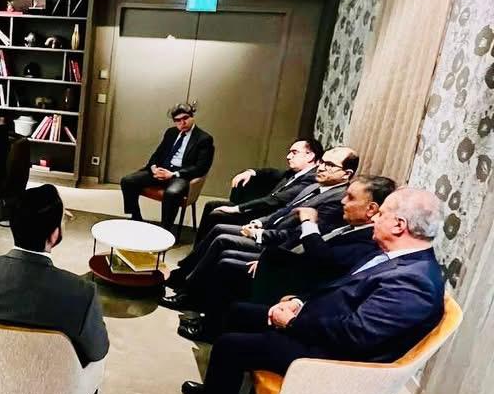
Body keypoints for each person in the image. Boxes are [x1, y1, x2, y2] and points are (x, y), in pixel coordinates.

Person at [168, 187, 446, 394]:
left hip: (335, 359)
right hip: (322, 326)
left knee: (230, 346)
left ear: (399, 225)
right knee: (237, 312)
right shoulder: (396, 259)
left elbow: (356, 335)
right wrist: (298, 302)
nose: (374, 218)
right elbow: (338, 288)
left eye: (381, 214)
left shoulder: (414, 282)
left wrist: (291, 322)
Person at [177, 175, 394, 342]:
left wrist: (308, 223)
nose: (343, 201)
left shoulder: (369, 238)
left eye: (351, 198)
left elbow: (322, 260)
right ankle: (204, 313)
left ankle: (210, 329)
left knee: (229, 265)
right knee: (228, 261)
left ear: (371, 209)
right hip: (289, 265)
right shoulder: (350, 224)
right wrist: (267, 259)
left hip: (301, 287)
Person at [162, 146, 358, 309]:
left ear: (346, 174)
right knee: (219, 229)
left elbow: (298, 237)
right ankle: (184, 277)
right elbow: (285, 210)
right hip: (271, 231)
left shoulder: (337, 200)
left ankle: (189, 295)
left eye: (329, 165)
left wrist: (261, 235)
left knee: (223, 239)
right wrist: (261, 222)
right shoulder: (315, 186)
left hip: (279, 246)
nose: (321, 167)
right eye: (322, 162)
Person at [0, 184, 109, 366]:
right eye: (63, 219)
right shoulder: (82, 293)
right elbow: (98, 350)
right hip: (48, 380)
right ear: (54, 235)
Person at [193, 138, 323, 242]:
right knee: (212, 205)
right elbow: (271, 172)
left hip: (267, 217)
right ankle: (198, 251)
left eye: (294, 153)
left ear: (310, 156)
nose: (288, 156)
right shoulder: (295, 173)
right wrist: (251, 172)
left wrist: (237, 208)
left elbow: (276, 200)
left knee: (217, 214)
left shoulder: (311, 178)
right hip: (262, 210)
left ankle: (201, 255)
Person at [120, 103, 215, 231]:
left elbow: (201, 168)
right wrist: (154, 168)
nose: (182, 123)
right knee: (127, 181)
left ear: (192, 117)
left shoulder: (204, 139)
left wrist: (173, 174)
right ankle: (135, 217)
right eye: (178, 120)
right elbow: (157, 154)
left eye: (185, 118)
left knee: (172, 193)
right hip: (162, 170)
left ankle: (165, 230)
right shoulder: (171, 132)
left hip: (180, 175)